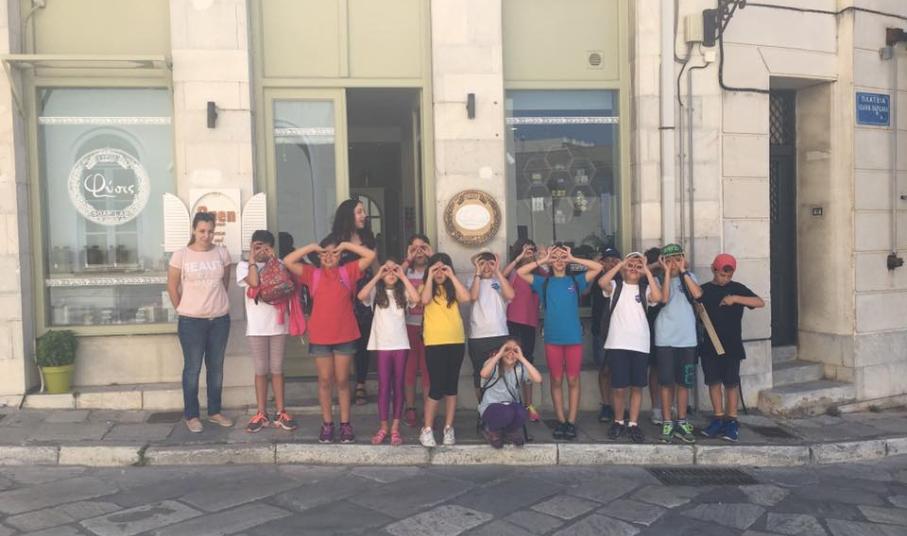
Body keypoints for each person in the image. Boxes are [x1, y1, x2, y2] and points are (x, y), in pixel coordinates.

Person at [284, 234, 377, 443]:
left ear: (340, 255)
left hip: (345, 333)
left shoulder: (348, 271)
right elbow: (288, 261)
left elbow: (370, 256)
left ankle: (345, 424)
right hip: (320, 335)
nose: (328, 256)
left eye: (333, 253)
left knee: (342, 381)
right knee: (325, 381)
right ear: (318, 256)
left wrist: (345, 245)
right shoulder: (312, 274)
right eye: (324, 253)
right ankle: (327, 424)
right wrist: (311, 247)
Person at [517, 244, 603, 440]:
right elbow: (521, 272)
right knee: (556, 380)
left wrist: (572, 258)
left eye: (561, 257)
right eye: (554, 257)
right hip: (553, 338)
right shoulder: (543, 282)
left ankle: (571, 422)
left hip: (573, 338)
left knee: (573, 380)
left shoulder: (576, 280)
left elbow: (598, 268)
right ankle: (561, 420)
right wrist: (544, 260)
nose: (558, 260)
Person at [167, 212, 233, 433]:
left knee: (216, 368)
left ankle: (214, 411)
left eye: (210, 231)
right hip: (191, 322)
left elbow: (224, 283)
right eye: (202, 231)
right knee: (192, 368)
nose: (206, 235)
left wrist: (217, 305)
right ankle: (192, 415)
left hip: (219, 320)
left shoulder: (222, 253)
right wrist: (183, 309)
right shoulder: (181, 255)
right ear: (194, 230)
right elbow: (172, 286)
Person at [699, 253, 764, 442]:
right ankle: (718, 418)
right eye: (722, 274)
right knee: (713, 382)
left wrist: (735, 298)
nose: (725, 278)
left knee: (731, 384)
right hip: (710, 344)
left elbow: (759, 302)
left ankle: (732, 421)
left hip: (732, 345)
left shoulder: (737, 288)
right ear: (714, 270)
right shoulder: (704, 290)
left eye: (729, 275)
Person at [599, 253, 663, 443]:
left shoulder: (645, 289)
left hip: (640, 344)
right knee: (619, 387)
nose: (634, 269)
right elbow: (602, 282)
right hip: (618, 343)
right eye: (630, 265)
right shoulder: (616, 286)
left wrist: (647, 272)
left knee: (637, 386)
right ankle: (618, 421)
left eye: (637, 266)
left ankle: (633, 423)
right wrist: (620, 266)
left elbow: (658, 297)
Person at [237, 230, 296, 433]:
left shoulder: (279, 263)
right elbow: (254, 282)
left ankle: (281, 412)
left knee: (277, 368)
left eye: (265, 246)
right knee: (261, 369)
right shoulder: (243, 266)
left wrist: (273, 260)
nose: (261, 250)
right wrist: (253, 260)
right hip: (256, 326)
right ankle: (261, 413)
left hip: (278, 324)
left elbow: (286, 282)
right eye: (257, 246)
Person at [357, 260, 421, 446]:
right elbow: (361, 295)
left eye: (395, 270)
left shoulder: (403, 292)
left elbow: (416, 298)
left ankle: (395, 427)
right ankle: (383, 426)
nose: (391, 273)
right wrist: (379, 274)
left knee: (398, 385)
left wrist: (402, 275)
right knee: (384, 386)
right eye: (387, 270)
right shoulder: (376, 292)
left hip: (400, 344)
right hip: (383, 345)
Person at [419, 253, 471, 447]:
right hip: (434, 343)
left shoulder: (453, 288)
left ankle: (448, 428)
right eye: (436, 269)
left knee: (451, 387)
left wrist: (451, 276)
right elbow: (424, 300)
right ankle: (427, 429)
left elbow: (466, 298)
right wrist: (430, 276)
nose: (440, 273)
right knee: (436, 387)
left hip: (456, 341)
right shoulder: (425, 286)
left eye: (443, 269)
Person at [655, 243, 703, 444]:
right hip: (665, 338)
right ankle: (667, 421)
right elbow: (664, 298)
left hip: (687, 339)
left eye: (677, 259)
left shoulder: (690, 277)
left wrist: (683, 271)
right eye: (668, 260)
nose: (673, 263)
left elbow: (698, 294)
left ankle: (682, 420)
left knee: (684, 383)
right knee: (666, 382)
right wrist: (666, 272)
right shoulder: (658, 279)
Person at [332, 198, 378, 406]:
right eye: (360, 212)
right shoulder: (334, 241)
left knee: (362, 342)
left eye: (364, 212)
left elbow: (375, 266)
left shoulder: (368, 239)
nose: (364, 216)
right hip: (342, 299)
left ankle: (360, 383)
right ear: (348, 215)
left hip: (365, 297)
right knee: (343, 343)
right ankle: (341, 384)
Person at [502, 239, 544, 422]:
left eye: (531, 250)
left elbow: (553, 277)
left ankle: (529, 404)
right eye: (525, 250)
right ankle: (511, 403)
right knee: (510, 362)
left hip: (530, 323)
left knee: (527, 363)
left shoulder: (539, 272)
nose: (529, 253)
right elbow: (501, 275)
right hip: (513, 321)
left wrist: (542, 257)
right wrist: (519, 258)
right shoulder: (514, 271)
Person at [467, 251, 515, 404]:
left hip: (500, 333)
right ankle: (483, 408)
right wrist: (477, 272)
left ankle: (502, 406)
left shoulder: (500, 281)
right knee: (480, 374)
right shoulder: (472, 280)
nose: (487, 266)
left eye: (490, 263)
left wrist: (498, 271)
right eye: (482, 263)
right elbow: (473, 296)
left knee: (502, 372)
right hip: (478, 336)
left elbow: (510, 295)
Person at [478, 339, 543, 449]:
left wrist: (522, 358)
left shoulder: (520, 368)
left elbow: (538, 379)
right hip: (490, 407)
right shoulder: (493, 363)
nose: (511, 353)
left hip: (510, 406)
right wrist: (499, 354)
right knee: (507, 412)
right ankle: (492, 430)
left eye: (515, 350)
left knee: (522, 413)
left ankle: (509, 431)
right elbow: (483, 374)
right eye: (507, 349)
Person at [400, 234, 433, 427]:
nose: (419, 252)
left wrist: (433, 256)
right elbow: (395, 274)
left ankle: (429, 409)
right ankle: (410, 408)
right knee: (410, 369)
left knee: (428, 370)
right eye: (414, 248)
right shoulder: (408, 272)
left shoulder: (433, 271)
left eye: (423, 248)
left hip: (431, 327)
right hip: (410, 326)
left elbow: (446, 271)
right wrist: (408, 258)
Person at [591, 247, 622, 423]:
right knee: (604, 370)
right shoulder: (596, 277)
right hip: (600, 330)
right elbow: (584, 292)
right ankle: (606, 405)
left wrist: (622, 266)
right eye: (607, 260)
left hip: (620, 332)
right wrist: (594, 266)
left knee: (619, 370)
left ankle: (619, 407)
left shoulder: (624, 278)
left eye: (614, 260)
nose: (610, 263)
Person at [644, 247, 665, 425]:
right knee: (655, 369)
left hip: (672, 330)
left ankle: (670, 407)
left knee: (671, 371)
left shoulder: (671, 277)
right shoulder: (645, 278)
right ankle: (656, 408)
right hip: (651, 328)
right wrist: (653, 266)